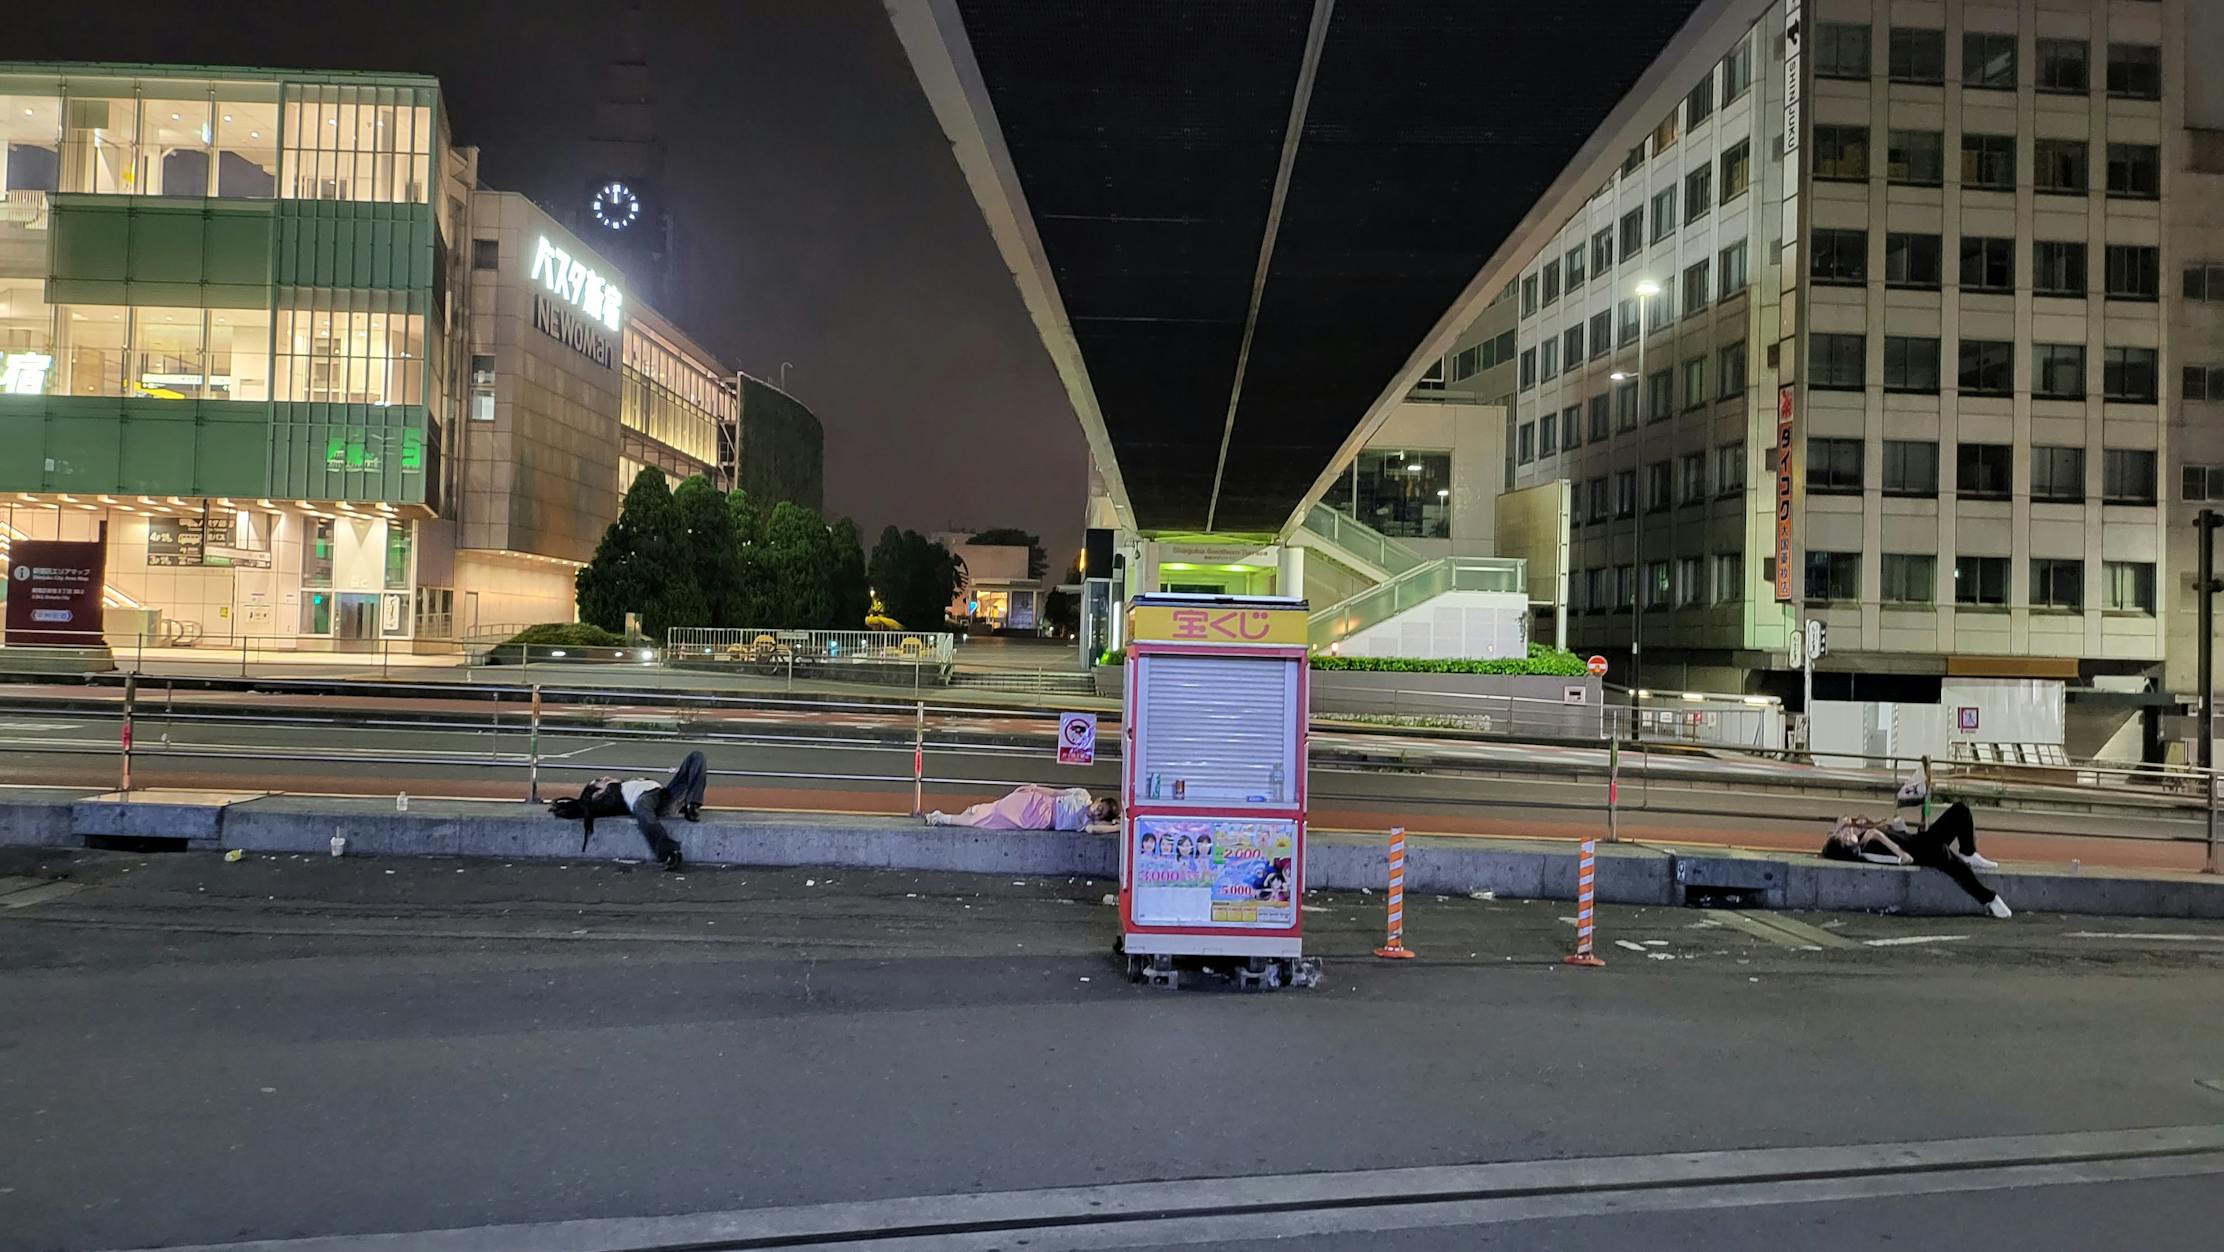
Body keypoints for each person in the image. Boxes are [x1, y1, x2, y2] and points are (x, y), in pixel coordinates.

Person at [1822, 801, 2009, 918]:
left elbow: (1902, 836)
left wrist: (1896, 827)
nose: (1848, 833)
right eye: (1845, 838)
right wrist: (1880, 836)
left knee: (1961, 811)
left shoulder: (1866, 838)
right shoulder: (1867, 851)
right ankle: (1989, 898)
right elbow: (1905, 858)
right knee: (1957, 866)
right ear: (1849, 849)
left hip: (1921, 841)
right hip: (1922, 851)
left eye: (1845, 833)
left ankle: (1969, 854)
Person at [548, 750, 708, 870]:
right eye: (598, 781)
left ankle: (692, 805)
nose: (604, 778)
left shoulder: (627, 783)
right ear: (599, 793)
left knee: (696, 757)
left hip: (665, 794)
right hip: (645, 800)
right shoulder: (615, 792)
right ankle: (668, 852)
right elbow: (595, 805)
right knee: (641, 808)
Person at [925, 785, 1118, 831]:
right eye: (1099, 807)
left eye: (1100, 814)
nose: (1096, 811)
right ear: (1098, 800)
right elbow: (1056, 793)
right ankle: (947, 817)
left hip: (1039, 819)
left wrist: (1117, 827)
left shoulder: (1085, 824)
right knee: (996, 811)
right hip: (1037, 802)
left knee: (993, 816)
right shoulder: (1082, 794)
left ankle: (944, 817)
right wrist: (1034, 787)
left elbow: (1095, 831)